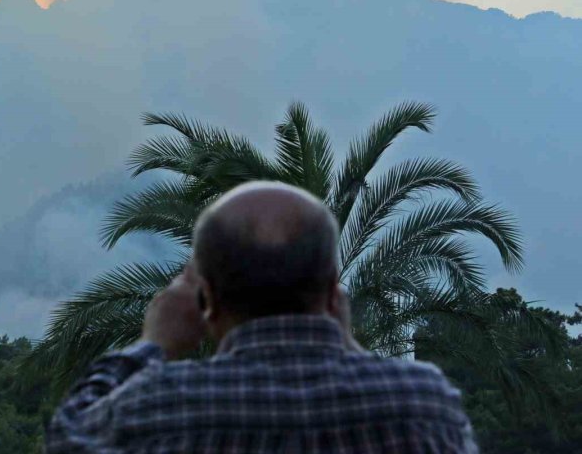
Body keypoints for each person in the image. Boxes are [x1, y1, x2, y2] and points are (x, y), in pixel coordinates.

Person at [46, 181, 478, 453]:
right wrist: (348, 344)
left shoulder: (159, 404)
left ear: (206, 300)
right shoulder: (422, 403)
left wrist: (153, 343)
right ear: (332, 292)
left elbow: (67, 438)